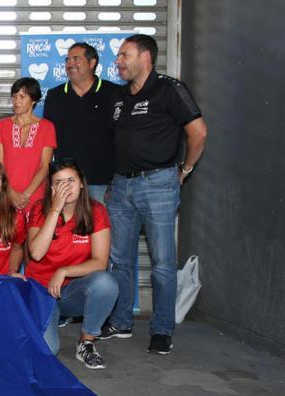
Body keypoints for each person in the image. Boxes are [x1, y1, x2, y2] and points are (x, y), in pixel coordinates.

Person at [102, 34, 208, 355]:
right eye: (118, 56)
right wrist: (112, 183)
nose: (118, 62)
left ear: (146, 57)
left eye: (125, 55)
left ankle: (162, 328)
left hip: (159, 183)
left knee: (162, 262)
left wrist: (184, 171)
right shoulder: (119, 97)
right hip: (122, 186)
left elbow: (198, 131)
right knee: (120, 259)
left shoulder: (169, 89)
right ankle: (121, 321)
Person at [26, 159, 117, 369]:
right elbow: (36, 253)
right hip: (41, 290)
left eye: (70, 180)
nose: (65, 187)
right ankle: (42, 321)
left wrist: (64, 270)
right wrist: (55, 210)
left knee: (106, 282)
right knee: (48, 351)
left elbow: (100, 262)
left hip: (72, 291)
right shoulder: (40, 209)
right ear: (51, 187)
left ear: (82, 183)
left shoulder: (96, 211)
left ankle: (86, 342)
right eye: (58, 182)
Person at [43, 42, 120, 205]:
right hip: (66, 183)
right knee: (68, 230)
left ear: (92, 63)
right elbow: (47, 139)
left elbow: (123, 136)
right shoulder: (55, 95)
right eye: (67, 59)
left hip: (103, 183)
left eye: (76, 59)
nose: (70, 64)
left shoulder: (113, 93)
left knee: (102, 229)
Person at [0, 77, 56, 212]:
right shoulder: (1, 126)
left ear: (33, 100)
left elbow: (45, 166)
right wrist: (12, 194)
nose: (16, 102)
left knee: (36, 233)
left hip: (36, 196)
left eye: (22, 97)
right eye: (14, 97)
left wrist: (25, 195)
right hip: (7, 195)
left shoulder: (47, 127)